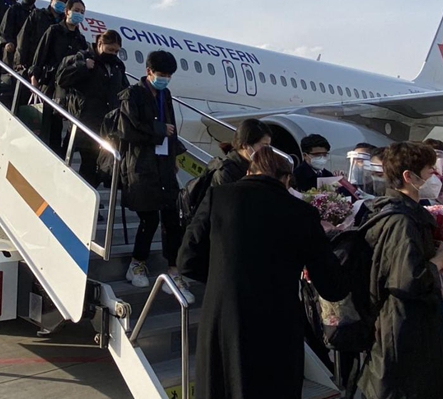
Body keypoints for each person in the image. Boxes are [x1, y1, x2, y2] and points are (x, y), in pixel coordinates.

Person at [177, 147, 348, 399]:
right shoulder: (302, 213)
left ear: (249, 172)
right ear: (286, 179)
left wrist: (224, 276)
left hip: (223, 321)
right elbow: (331, 286)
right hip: (277, 324)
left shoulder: (218, 198)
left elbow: (186, 260)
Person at [359, 141, 443, 399]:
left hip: (404, 323)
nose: (435, 176)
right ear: (409, 176)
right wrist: (440, 262)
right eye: (430, 170)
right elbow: (406, 280)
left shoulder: (398, 211)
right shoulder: (401, 221)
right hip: (403, 326)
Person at [119, 50, 193, 302]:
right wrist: (160, 130)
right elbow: (128, 130)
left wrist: (174, 156)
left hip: (164, 163)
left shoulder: (165, 94)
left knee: (173, 218)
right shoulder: (132, 94)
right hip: (142, 164)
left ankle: (173, 271)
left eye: (169, 75)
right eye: (161, 75)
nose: (165, 79)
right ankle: (137, 263)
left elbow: (172, 129)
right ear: (149, 71)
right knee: (149, 218)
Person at [56, 29, 129, 186]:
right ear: (100, 44)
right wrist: (82, 66)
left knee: (95, 167)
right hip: (85, 122)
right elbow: (62, 79)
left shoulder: (117, 66)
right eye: (110, 49)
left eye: (116, 51)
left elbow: (124, 90)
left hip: (106, 125)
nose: (113, 54)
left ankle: (86, 196)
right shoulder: (83, 57)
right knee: (81, 162)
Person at [31, 0, 89, 154]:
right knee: (45, 124)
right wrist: (34, 76)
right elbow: (41, 54)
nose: (79, 14)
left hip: (66, 88)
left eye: (82, 12)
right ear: (67, 11)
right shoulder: (54, 31)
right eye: (76, 10)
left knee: (57, 128)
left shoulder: (81, 39)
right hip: (49, 83)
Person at [15, 0, 69, 75]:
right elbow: (23, 36)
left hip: (50, 67)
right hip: (31, 60)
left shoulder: (64, 23)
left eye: (65, 2)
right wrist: (20, 60)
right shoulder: (38, 14)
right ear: (52, 0)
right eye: (60, 0)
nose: (63, 3)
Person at [209, 118, 273, 187]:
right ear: (245, 145)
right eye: (263, 145)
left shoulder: (261, 168)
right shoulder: (225, 172)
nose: (266, 150)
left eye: (268, 146)